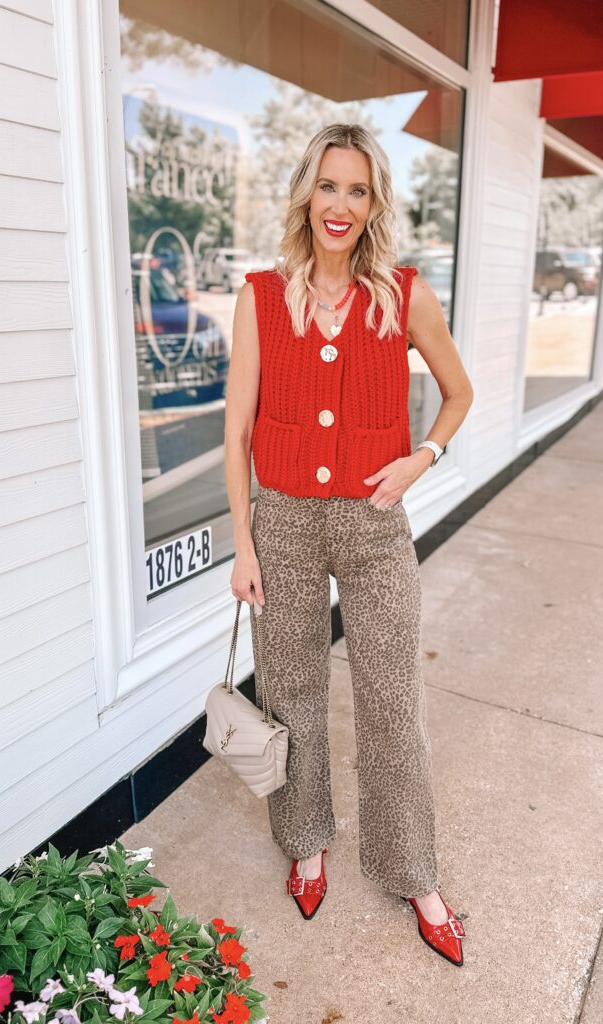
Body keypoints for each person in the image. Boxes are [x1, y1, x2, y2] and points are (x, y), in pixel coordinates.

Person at [224, 123, 474, 964]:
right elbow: (235, 432)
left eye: (356, 190)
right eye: (328, 187)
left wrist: (421, 458)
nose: (340, 205)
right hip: (284, 525)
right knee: (291, 696)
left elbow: (459, 393)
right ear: (306, 194)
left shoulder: (406, 295)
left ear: (374, 205)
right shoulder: (261, 295)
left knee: (393, 703)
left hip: (373, 524)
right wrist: (244, 545)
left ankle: (414, 871)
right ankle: (307, 842)